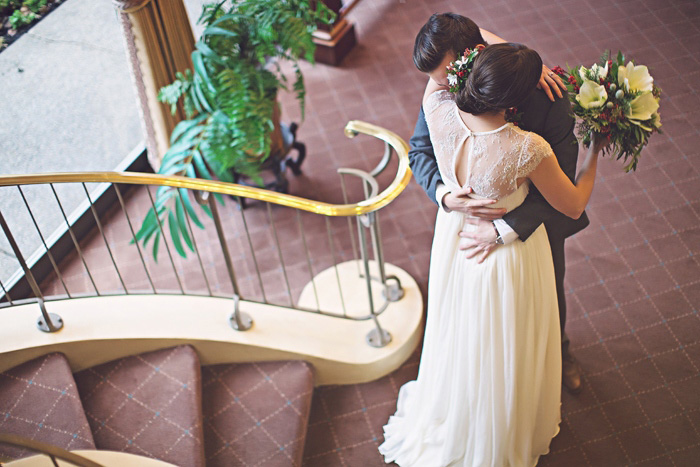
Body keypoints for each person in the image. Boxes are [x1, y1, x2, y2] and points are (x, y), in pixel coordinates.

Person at [378, 39, 607, 466]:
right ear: (516, 100)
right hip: (509, 260)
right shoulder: (528, 148)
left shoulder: (437, 104)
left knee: (463, 327)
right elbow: (574, 204)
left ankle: (462, 413)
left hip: (456, 239)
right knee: (507, 339)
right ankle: (500, 428)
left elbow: (460, 47)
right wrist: (594, 153)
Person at [408, 13, 589, 394]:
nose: (442, 86)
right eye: (437, 79)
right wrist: (443, 193)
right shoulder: (442, 93)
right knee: (464, 309)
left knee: (544, 299)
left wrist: (503, 229)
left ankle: (559, 354)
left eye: (445, 75)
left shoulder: (550, 104)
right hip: (459, 223)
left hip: (530, 228)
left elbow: (560, 192)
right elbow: (419, 151)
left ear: (469, 56)